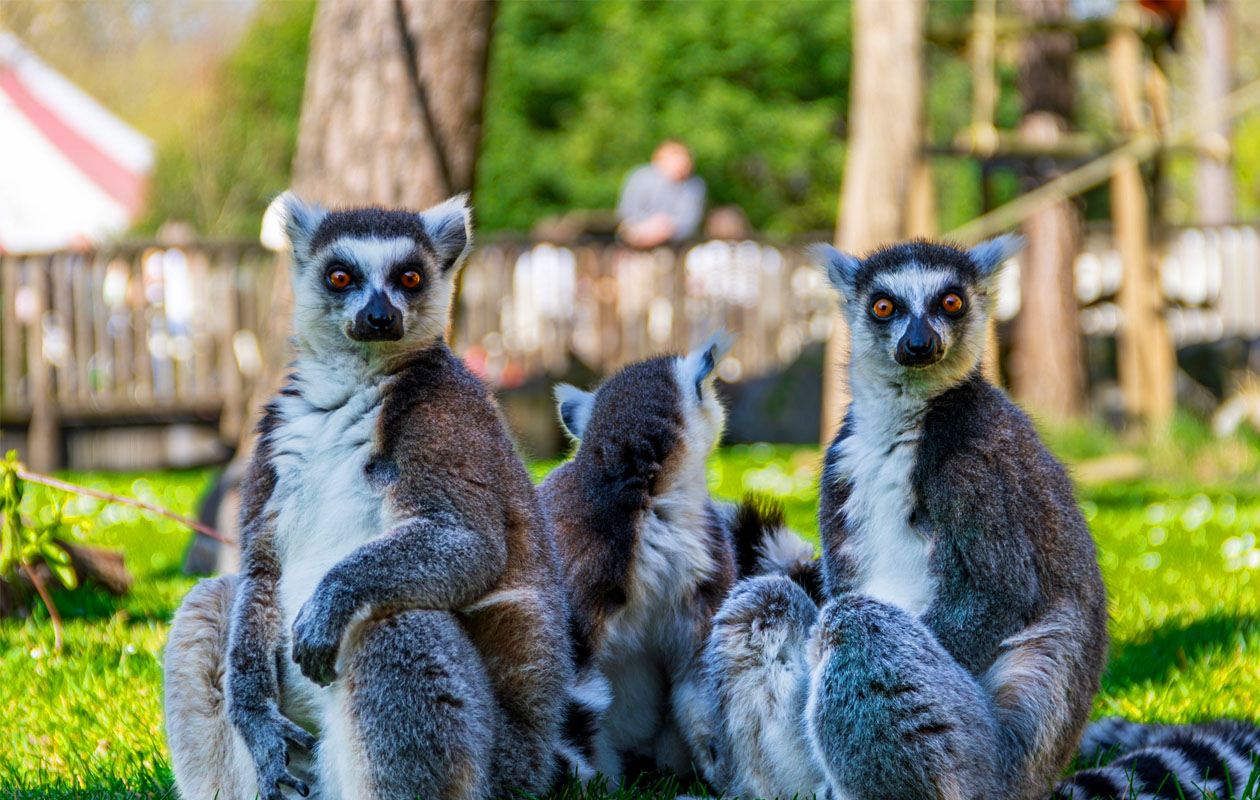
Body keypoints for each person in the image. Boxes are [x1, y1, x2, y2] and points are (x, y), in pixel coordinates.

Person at [617, 140, 706, 248]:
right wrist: (648, 227)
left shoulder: (694, 186)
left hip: (675, 243)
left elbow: (688, 222)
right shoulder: (640, 177)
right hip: (635, 235)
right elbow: (626, 211)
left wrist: (665, 228)